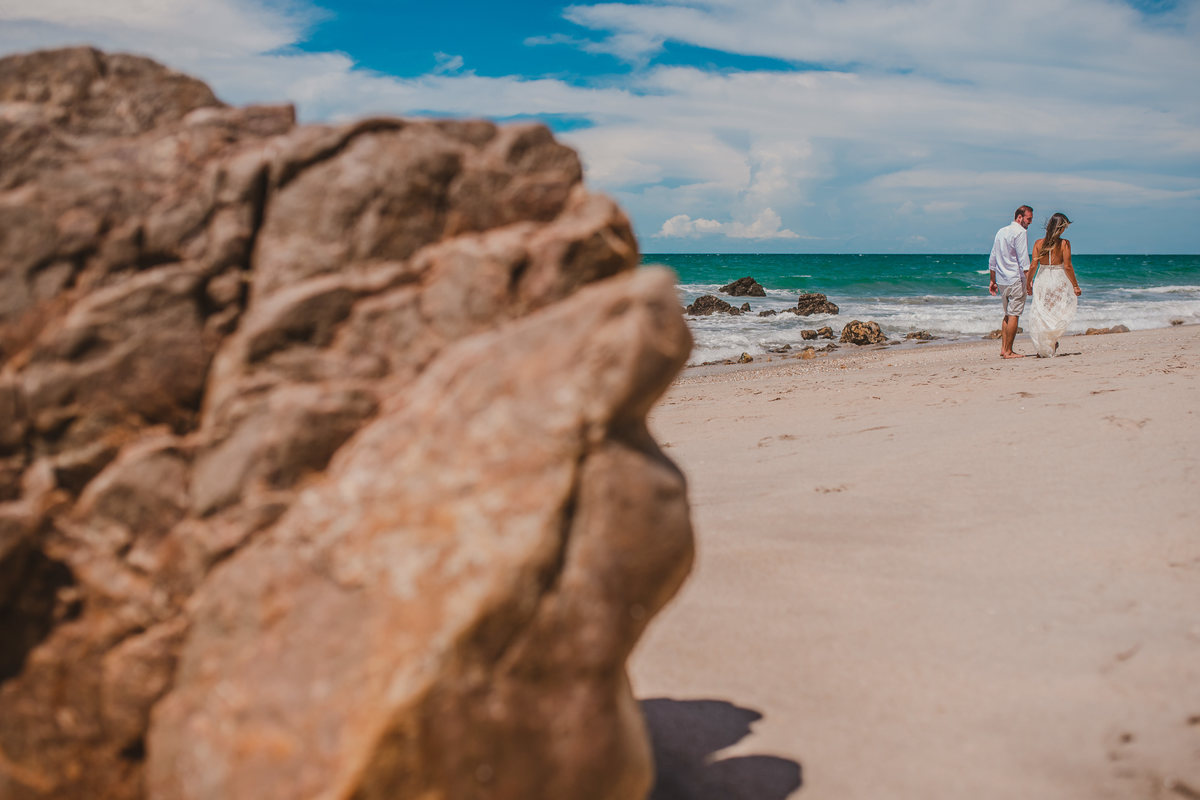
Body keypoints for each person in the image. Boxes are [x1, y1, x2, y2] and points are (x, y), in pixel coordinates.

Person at [1025, 212, 1081, 357]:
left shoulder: (1038, 243)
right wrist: (1075, 285)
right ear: (1060, 228)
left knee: (1042, 313)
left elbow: (1033, 266)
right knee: (1056, 312)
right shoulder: (1064, 243)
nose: (1065, 230)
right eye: (1064, 227)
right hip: (1058, 278)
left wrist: (1028, 282)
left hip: (1042, 279)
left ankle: (1043, 347)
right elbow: (1068, 266)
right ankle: (1052, 342)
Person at [988, 205, 1034, 358]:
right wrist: (1029, 282)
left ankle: (1003, 348)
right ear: (1019, 217)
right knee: (1014, 314)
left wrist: (992, 280)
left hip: (1002, 279)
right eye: (1029, 219)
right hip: (1015, 278)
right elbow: (1024, 260)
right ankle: (1008, 351)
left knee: (1007, 314)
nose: (1030, 222)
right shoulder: (1020, 232)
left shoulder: (1001, 231)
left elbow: (993, 258)